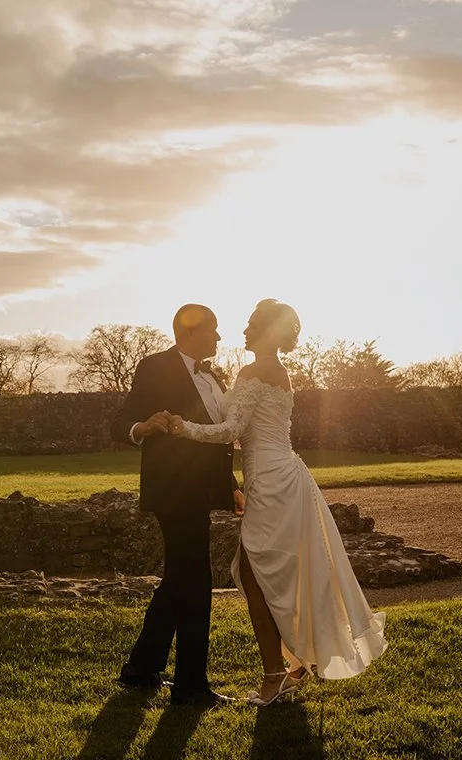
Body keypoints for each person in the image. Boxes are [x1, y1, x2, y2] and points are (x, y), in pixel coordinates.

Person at [168, 299, 387, 706]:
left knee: (257, 575)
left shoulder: (257, 370)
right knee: (277, 573)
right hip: (280, 475)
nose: (245, 331)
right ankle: (294, 663)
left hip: (271, 481)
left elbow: (232, 429)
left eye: (252, 325)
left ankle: (275, 677)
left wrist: (183, 428)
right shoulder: (277, 371)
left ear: (268, 331)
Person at [109, 303, 241, 706]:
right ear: (190, 332)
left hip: (201, 490)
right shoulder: (155, 367)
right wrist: (143, 427)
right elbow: (119, 422)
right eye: (213, 331)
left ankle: (141, 668)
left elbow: (217, 438)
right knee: (196, 582)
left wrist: (230, 485)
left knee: (179, 579)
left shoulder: (213, 377)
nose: (219, 338)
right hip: (173, 491)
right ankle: (190, 686)